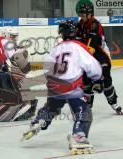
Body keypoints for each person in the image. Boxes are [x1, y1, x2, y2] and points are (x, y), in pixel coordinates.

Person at [22, 20, 103, 154]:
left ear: (61, 34)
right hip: (72, 87)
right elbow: (93, 67)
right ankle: (78, 136)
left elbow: (47, 69)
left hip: (55, 86)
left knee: (52, 107)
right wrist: (98, 79)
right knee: (83, 112)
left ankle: (40, 119)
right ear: (75, 32)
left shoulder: (55, 49)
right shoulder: (79, 46)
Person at [75, 1, 123, 115]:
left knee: (105, 76)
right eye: (80, 15)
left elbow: (91, 46)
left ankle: (113, 101)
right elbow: (76, 43)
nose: (81, 17)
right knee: (85, 78)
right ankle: (88, 103)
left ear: (90, 14)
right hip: (87, 53)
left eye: (83, 15)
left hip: (100, 53)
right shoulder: (79, 26)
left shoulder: (95, 25)